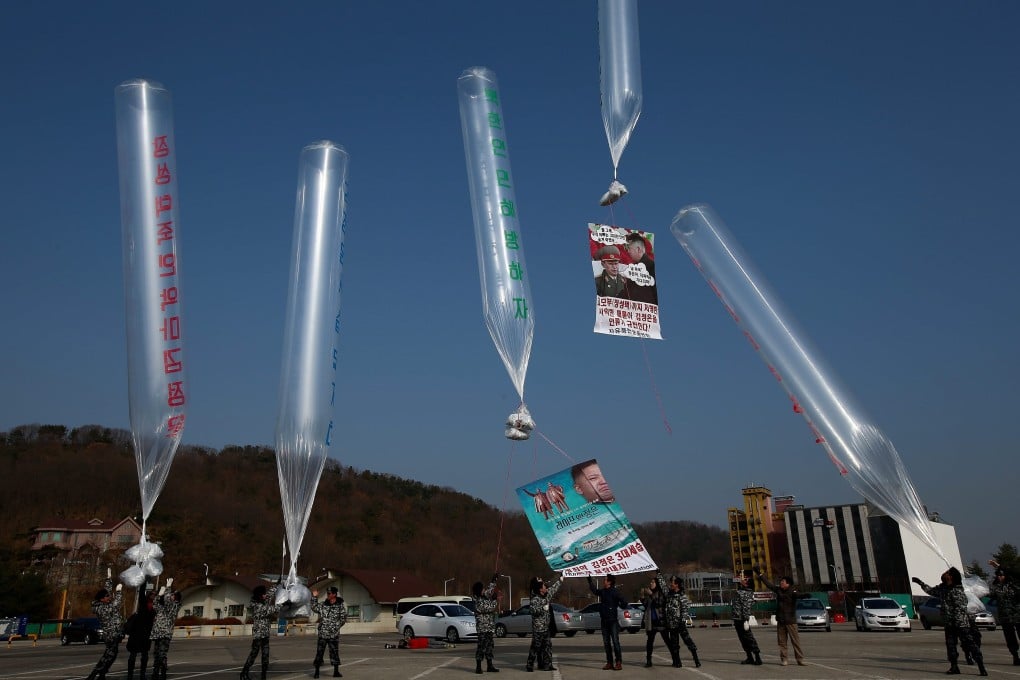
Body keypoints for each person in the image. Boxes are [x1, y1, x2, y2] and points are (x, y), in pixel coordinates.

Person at [913, 568, 987, 676]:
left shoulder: (957, 590)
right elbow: (931, 591)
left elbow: (961, 606)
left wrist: (954, 617)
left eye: (947, 573)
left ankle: (981, 667)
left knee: (970, 644)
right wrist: (920, 583)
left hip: (960, 623)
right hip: (949, 623)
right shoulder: (943, 588)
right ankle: (954, 666)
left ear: (951, 577)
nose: (944, 574)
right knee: (951, 645)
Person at [755, 566, 804, 666]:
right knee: (782, 642)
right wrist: (760, 574)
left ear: (788, 584)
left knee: (796, 641)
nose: (781, 583)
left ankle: (800, 659)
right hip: (781, 621)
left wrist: (805, 595)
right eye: (781, 581)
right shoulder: (778, 590)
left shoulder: (793, 591)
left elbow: (798, 595)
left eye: (783, 582)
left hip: (791, 621)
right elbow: (769, 584)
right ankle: (784, 659)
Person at [87, 569, 125, 680]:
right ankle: (94, 674)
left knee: (112, 655)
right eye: (107, 597)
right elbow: (116, 605)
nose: (109, 597)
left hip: (114, 633)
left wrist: (109, 579)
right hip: (111, 634)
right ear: (102, 599)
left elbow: (106, 591)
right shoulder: (102, 608)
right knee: (108, 655)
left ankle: (101, 674)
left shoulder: (102, 603)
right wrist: (118, 593)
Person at [241, 581, 283, 680]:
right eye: (263, 594)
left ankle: (263, 676)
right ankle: (244, 672)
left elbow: (269, 594)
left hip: (265, 634)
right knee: (254, 653)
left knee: (265, 655)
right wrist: (283, 604)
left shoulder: (263, 600)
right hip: (258, 635)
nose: (265, 596)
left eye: (264, 594)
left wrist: (277, 584)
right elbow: (272, 609)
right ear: (259, 596)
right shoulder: (258, 606)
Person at [586, 573, 628, 670]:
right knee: (606, 643)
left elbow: (624, 602)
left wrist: (620, 605)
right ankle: (609, 662)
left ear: (609, 582)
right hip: (604, 621)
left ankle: (618, 662)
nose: (603, 581)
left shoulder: (615, 592)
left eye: (605, 580)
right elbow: (595, 591)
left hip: (613, 621)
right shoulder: (603, 591)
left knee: (615, 642)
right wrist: (589, 581)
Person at [662, 573, 700, 668]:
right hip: (672, 624)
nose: (671, 584)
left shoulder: (681, 596)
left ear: (677, 584)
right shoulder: (669, 595)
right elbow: (663, 587)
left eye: (672, 583)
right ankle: (677, 662)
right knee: (674, 644)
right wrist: (659, 574)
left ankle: (696, 660)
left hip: (680, 623)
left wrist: (682, 621)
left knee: (688, 642)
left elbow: (685, 609)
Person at [310, 586, 347, 678]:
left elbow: (343, 619)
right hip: (323, 634)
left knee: (334, 652)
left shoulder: (340, 606)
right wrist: (314, 597)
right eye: (327, 593)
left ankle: (336, 672)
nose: (328, 595)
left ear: (334, 594)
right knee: (319, 653)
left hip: (333, 634)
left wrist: (335, 627)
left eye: (329, 593)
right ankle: (317, 672)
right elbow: (314, 607)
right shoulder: (323, 604)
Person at [525, 576, 561, 672]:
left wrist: (560, 579)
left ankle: (547, 665)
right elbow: (533, 611)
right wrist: (542, 609)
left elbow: (553, 589)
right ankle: (529, 664)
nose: (546, 588)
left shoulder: (546, 596)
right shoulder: (535, 599)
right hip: (538, 628)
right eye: (544, 586)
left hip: (546, 627)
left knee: (548, 646)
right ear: (540, 589)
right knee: (535, 647)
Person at [988, 561, 1020, 665]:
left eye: (1001, 575)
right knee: (1010, 639)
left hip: (1017, 616)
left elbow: (1014, 572)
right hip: (1005, 618)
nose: (999, 577)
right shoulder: (996, 589)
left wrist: (998, 566)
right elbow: (987, 594)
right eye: (998, 575)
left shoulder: (1014, 585)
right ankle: (1015, 656)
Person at [150, 578, 182, 680]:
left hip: (165, 634)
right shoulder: (164, 608)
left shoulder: (175, 606)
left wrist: (168, 588)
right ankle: (155, 672)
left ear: (176, 598)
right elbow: (155, 605)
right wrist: (159, 595)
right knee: (156, 653)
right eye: (171, 594)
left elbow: (167, 600)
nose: (170, 596)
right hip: (157, 633)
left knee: (162, 653)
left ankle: (163, 672)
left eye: (173, 595)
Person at [730, 571, 762, 665]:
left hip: (742, 619)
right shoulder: (741, 591)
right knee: (742, 639)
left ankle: (757, 657)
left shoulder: (746, 593)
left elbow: (746, 607)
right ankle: (749, 657)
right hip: (737, 618)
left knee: (749, 638)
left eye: (745, 580)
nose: (743, 580)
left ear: (748, 584)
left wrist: (746, 619)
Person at [125, 586, 155, 680]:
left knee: (145, 656)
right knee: (133, 655)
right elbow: (142, 592)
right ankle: (130, 676)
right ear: (148, 595)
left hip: (146, 636)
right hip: (136, 634)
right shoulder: (143, 604)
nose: (154, 595)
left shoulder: (155, 607)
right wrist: (144, 578)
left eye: (155, 594)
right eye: (152, 594)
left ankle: (142, 675)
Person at [472, 575, 501, 674]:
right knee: (481, 647)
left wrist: (493, 581)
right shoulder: (478, 601)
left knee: (489, 647)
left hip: (489, 627)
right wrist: (495, 599)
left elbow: (489, 591)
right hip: (482, 628)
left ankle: (490, 665)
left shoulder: (483, 597)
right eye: (482, 589)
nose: (484, 590)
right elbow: (490, 608)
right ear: (479, 591)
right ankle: (478, 667)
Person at [621, 232, 658, 304]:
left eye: (629, 248)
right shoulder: (634, 268)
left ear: (638, 249)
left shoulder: (652, 267)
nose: (628, 251)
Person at [641, 574, 669, 667]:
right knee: (649, 642)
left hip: (660, 621)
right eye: (651, 582)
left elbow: (658, 604)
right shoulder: (650, 595)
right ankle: (648, 661)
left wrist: (651, 594)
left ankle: (675, 658)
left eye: (653, 582)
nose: (651, 583)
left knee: (667, 641)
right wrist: (642, 596)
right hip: (651, 622)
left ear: (657, 584)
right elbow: (646, 605)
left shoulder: (660, 593)